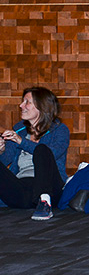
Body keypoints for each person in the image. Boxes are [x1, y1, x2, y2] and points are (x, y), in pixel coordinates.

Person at [0, 87, 70, 220]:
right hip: (22, 189)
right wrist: (1, 151)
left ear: (42, 106)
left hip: (51, 187)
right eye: (22, 101)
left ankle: (44, 201)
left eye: (27, 102)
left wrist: (22, 142)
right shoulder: (19, 129)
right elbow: (5, 162)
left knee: (42, 149)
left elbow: (52, 154)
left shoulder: (60, 130)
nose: (21, 105)